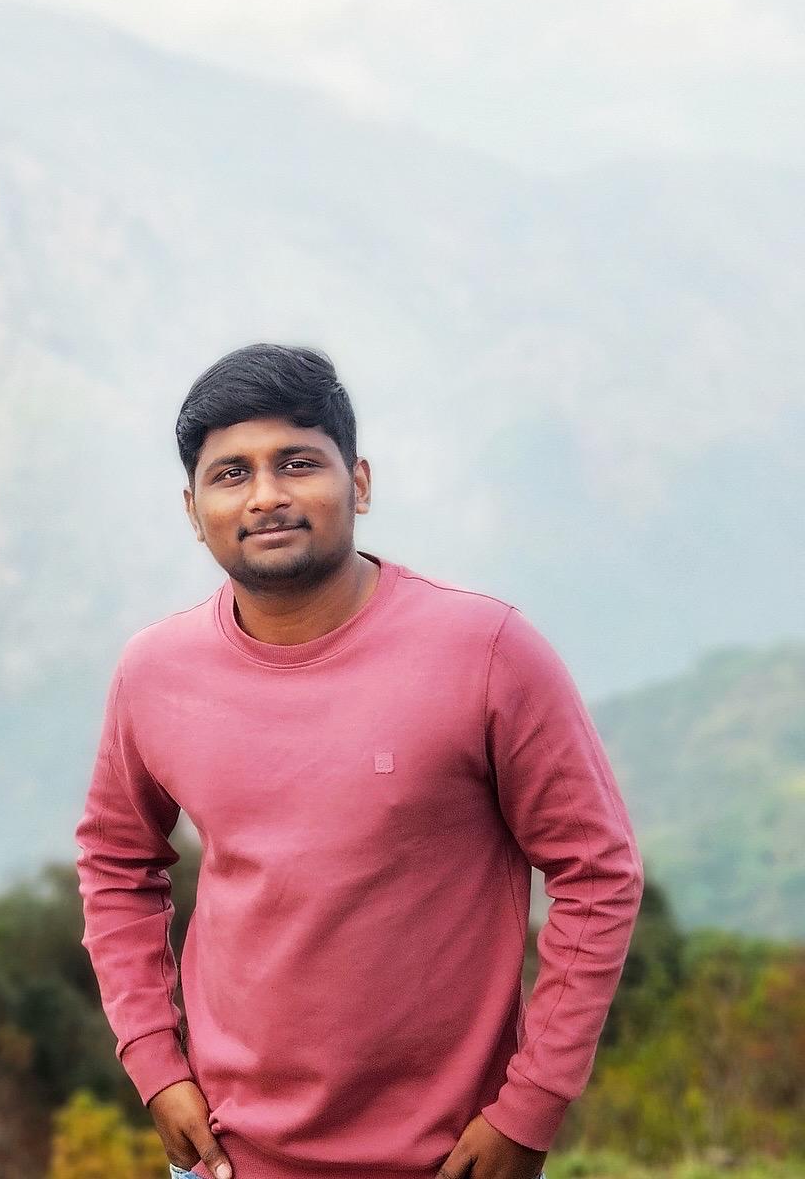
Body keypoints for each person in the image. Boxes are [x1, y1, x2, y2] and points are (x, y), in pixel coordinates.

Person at [74, 343, 645, 1179]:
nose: (265, 495)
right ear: (194, 511)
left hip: (449, 1158)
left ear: (360, 483)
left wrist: (531, 1106)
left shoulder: (487, 651)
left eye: (297, 462)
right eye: (231, 474)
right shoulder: (154, 673)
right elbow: (115, 862)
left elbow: (598, 871)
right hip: (226, 1157)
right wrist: (154, 1062)